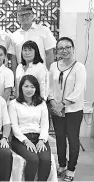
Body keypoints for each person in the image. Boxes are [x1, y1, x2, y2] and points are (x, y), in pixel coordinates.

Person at [48, 37, 87, 181]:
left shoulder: (79, 67)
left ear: (72, 48)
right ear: (57, 51)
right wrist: (52, 101)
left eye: (67, 47)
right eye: (61, 48)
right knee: (59, 139)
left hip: (73, 110)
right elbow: (49, 86)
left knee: (73, 139)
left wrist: (63, 103)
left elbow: (79, 89)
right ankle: (62, 165)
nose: (64, 50)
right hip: (57, 109)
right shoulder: (53, 66)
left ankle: (71, 169)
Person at [8, 75, 51, 181]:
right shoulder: (14, 104)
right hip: (21, 139)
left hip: (39, 137)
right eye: (26, 86)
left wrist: (41, 140)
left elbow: (45, 125)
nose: (29, 90)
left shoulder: (42, 104)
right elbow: (14, 126)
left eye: (32, 87)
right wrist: (26, 141)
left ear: (36, 88)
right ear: (21, 87)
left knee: (45, 159)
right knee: (33, 159)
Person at [9, 4, 56, 73]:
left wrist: (50, 74)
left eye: (27, 14)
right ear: (17, 17)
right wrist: (15, 79)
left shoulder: (44, 31)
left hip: (41, 73)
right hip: (22, 74)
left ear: (32, 15)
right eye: (21, 15)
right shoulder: (14, 36)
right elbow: (13, 59)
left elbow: (50, 54)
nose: (24, 17)